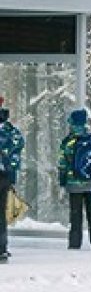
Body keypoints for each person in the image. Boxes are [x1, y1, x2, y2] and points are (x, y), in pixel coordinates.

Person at [58, 109, 91, 251]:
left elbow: (62, 164)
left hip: (73, 185)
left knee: (76, 216)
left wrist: (62, 182)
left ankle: (74, 244)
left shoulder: (68, 142)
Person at [0, 98, 26, 264]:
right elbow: (18, 145)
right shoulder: (9, 130)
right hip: (4, 176)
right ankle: (1, 249)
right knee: (0, 213)